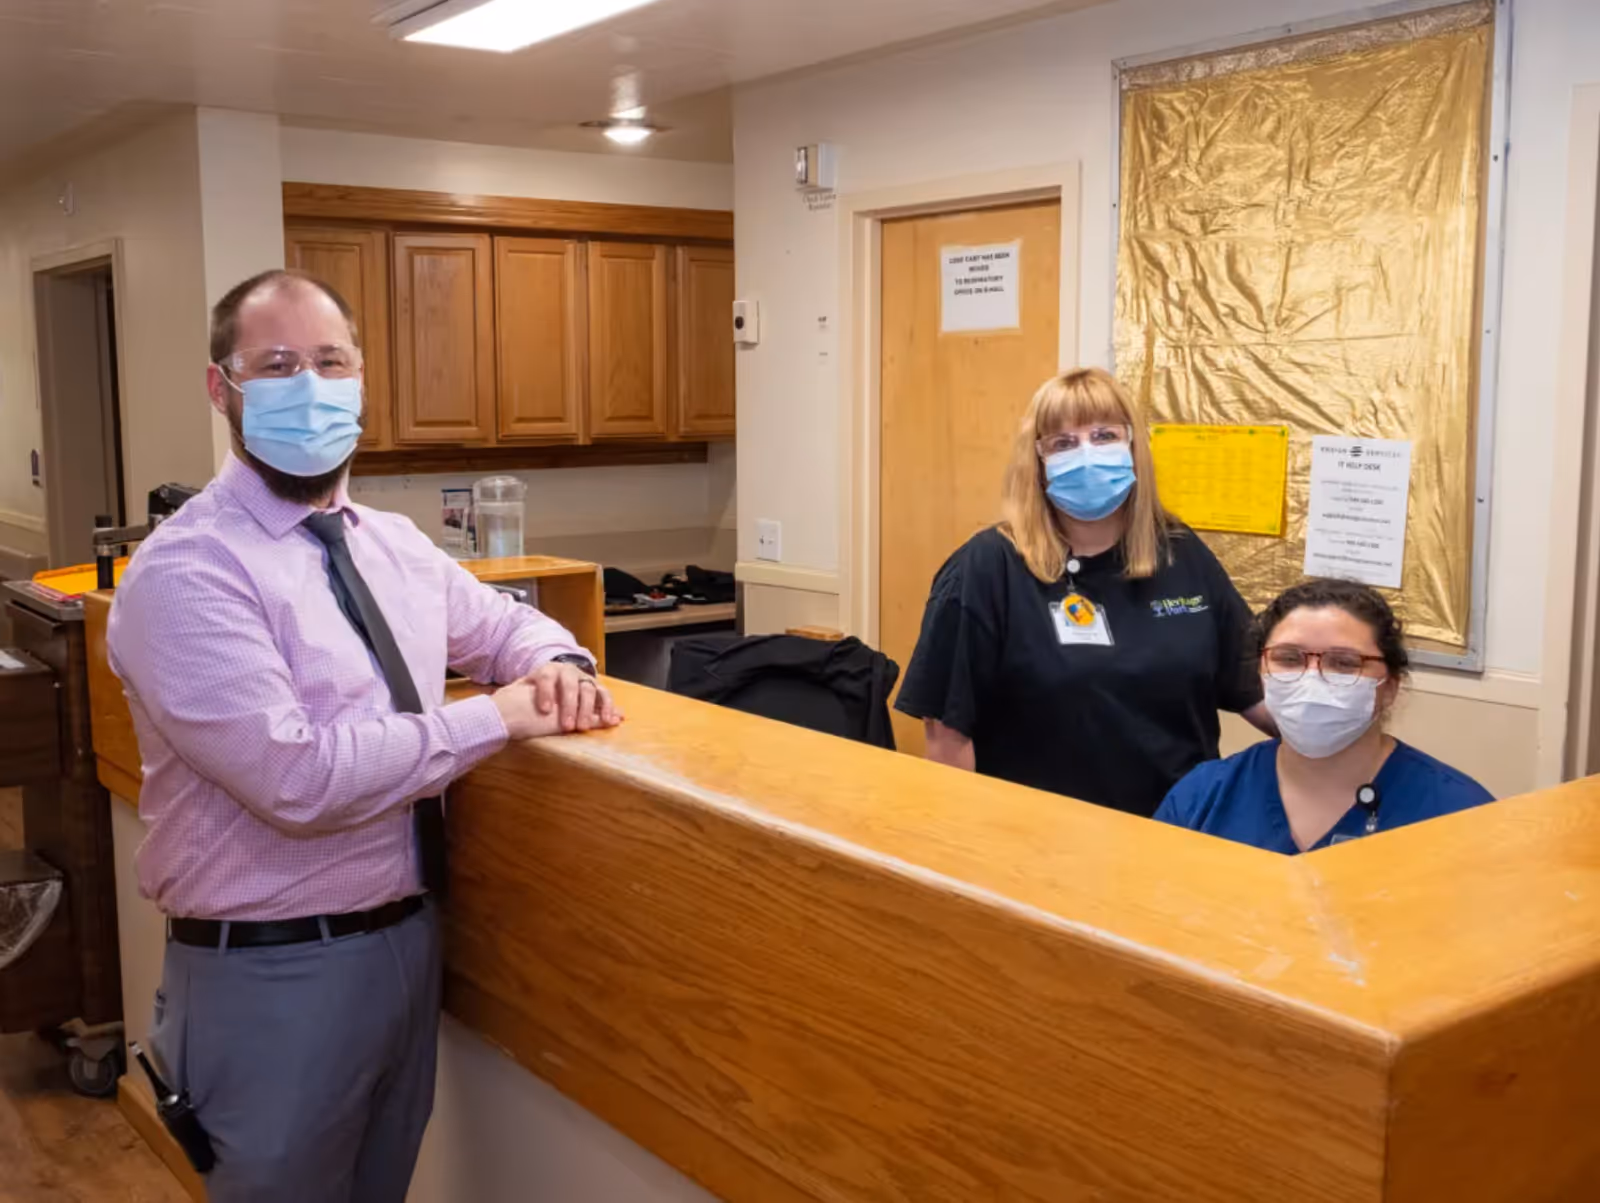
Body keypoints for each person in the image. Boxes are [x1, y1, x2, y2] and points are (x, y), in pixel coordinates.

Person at [107, 268, 623, 1202]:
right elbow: (297, 778)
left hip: (406, 943)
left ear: (361, 380)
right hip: (270, 969)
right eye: (276, 364)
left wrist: (560, 666)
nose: (309, 384)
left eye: (329, 360)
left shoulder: (389, 541)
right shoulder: (188, 571)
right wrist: (500, 713)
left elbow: (508, 626)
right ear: (222, 389)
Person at [895, 367, 1273, 817]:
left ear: (1133, 447)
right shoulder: (987, 568)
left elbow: (1254, 685)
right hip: (1039, 841)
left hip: (1176, 833)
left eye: (1104, 435)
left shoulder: (1180, 552)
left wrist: (1341, 733)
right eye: (1063, 443)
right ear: (1036, 461)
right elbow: (947, 738)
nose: (1087, 454)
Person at [1154, 578, 1493, 853]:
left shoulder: (1458, 814)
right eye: (1289, 658)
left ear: (1389, 687)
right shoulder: (1203, 797)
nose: (1312, 678)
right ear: (1261, 672)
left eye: (1344, 663)